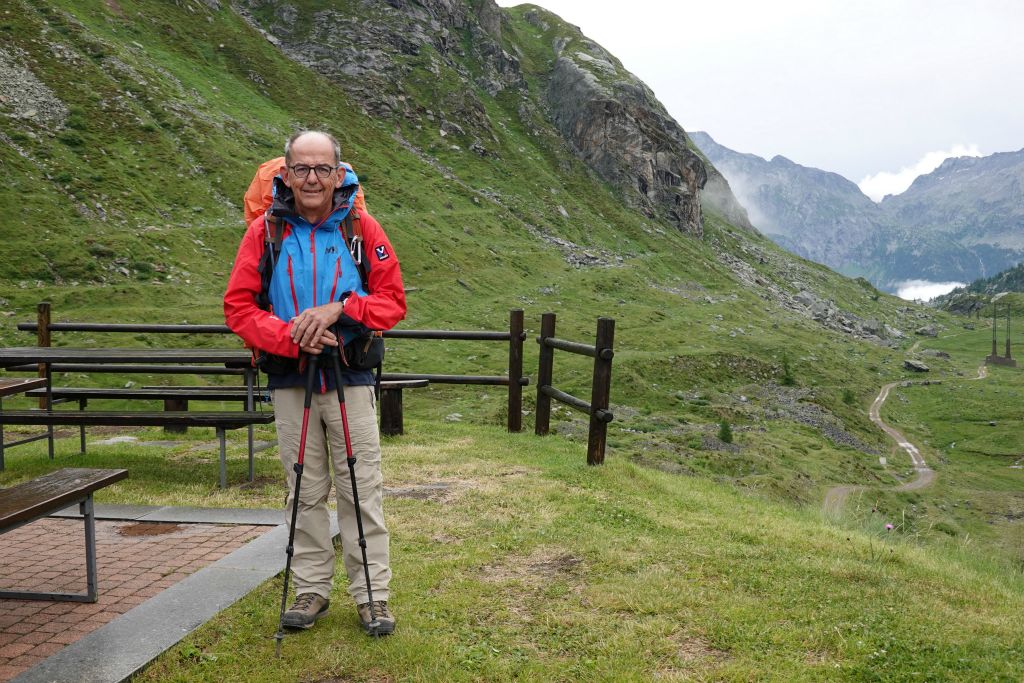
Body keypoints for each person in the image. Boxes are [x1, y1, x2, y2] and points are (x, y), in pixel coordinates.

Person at [224, 130, 406, 636]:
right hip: (290, 376)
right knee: (303, 486)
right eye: (301, 169)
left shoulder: (360, 227)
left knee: (359, 486)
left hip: (349, 371)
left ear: (338, 173)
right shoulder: (264, 232)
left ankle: (373, 595)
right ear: (284, 174)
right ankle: (310, 590)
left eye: (322, 169)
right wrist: (290, 337)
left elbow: (392, 302)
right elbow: (238, 308)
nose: (311, 179)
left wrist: (340, 309)